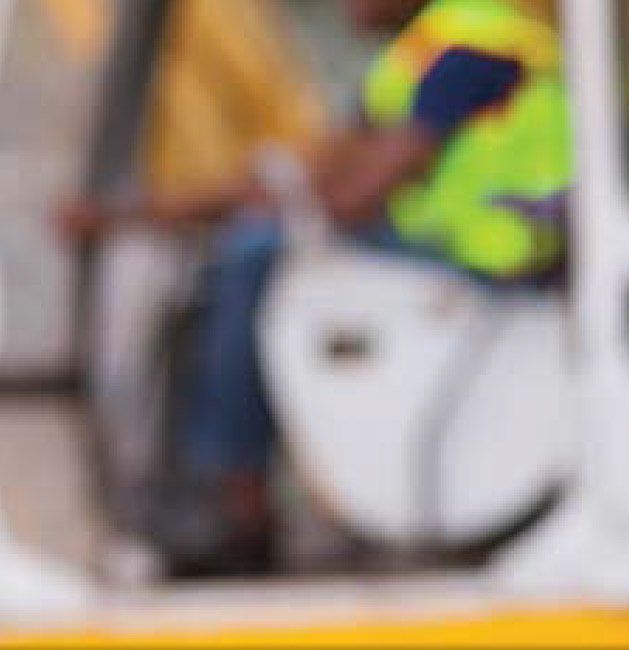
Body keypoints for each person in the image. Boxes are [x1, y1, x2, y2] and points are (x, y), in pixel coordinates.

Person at [61, 0, 571, 576]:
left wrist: (292, 200)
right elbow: (314, 171)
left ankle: (236, 493)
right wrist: (140, 213)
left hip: (497, 263)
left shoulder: (473, 46)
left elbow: (353, 193)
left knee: (254, 254)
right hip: (455, 252)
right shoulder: (418, 55)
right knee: (250, 243)